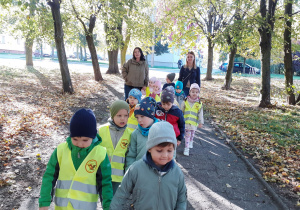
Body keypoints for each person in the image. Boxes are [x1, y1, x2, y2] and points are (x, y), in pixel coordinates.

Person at [39, 109, 113, 210]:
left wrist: (108, 206)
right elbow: (49, 177)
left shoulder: (100, 154)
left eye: (85, 140)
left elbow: (105, 184)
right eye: (75, 139)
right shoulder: (60, 151)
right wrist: (44, 202)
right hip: (62, 207)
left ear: (93, 136)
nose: (80, 144)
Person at [110, 121, 187, 210]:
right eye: (159, 150)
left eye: (169, 151)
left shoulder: (177, 173)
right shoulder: (136, 169)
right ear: (150, 148)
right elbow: (121, 195)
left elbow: (181, 199)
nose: (165, 155)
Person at [98, 100, 132, 194]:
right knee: (104, 199)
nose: (123, 119)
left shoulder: (129, 134)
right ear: (112, 116)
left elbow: (129, 155)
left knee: (114, 202)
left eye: (126, 116)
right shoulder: (101, 130)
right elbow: (94, 149)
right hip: (103, 174)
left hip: (118, 177)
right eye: (119, 115)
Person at [125, 97, 158, 171]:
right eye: (137, 117)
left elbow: (171, 152)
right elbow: (131, 156)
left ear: (151, 115)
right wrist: (130, 173)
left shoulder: (162, 130)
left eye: (142, 116)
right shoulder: (135, 134)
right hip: (139, 173)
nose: (139, 120)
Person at [180, 83, 204, 156]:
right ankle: (186, 149)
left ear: (198, 93)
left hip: (194, 123)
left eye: (196, 92)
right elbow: (181, 111)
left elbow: (200, 114)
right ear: (189, 92)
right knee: (187, 135)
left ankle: (191, 141)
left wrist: (200, 122)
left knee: (192, 134)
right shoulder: (185, 101)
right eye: (193, 92)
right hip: (186, 122)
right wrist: (179, 119)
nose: (194, 93)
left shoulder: (199, 103)